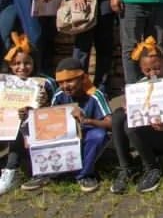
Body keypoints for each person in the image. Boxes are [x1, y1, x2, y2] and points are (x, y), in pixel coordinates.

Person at [22, 57, 112, 193]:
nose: (65, 86)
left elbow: (110, 123)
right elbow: (49, 120)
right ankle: (45, 174)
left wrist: (88, 121)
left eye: (70, 80)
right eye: (61, 82)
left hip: (86, 135)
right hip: (64, 135)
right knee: (39, 129)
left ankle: (85, 175)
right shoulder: (59, 94)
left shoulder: (95, 95)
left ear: (82, 78)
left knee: (99, 135)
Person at [110, 37, 163, 194]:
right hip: (147, 132)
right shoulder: (140, 85)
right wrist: (128, 107)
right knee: (118, 116)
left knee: (131, 127)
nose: (153, 74)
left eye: (157, 68)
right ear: (141, 69)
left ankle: (152, 168)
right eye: (148, 70)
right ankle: (127, 168)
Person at [0, 33, 56, 195]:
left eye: (27, 63)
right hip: (8, 126)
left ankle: (12, 170)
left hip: (39, 130)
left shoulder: (46, 82)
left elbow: (58, 109)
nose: (22, 68)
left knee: (21, 124)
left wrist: (44, 102)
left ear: (35, 63)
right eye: (16, 63)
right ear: (10, 65)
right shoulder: (5, 83)